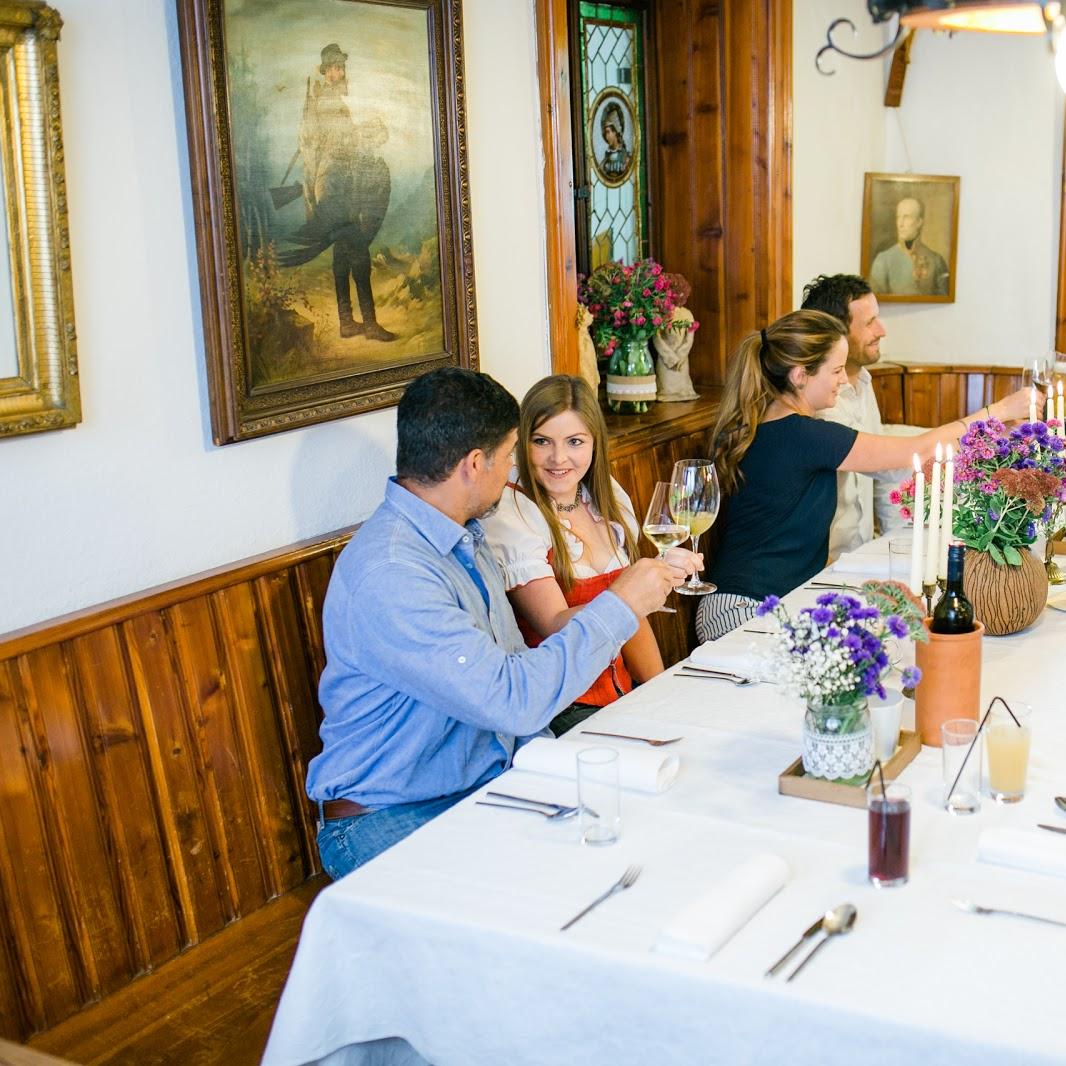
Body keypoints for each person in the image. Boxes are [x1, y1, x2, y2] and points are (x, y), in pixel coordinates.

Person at [308, 367, 688, 878]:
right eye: (511, 454)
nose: (514, 472)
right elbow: (514, 701)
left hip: (483, 784)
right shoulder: (394, 572)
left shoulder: (463, 536)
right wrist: (620, 605)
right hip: (394, 815)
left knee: (648, 844)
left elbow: (515, 677)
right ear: (474, 463)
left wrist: (562, 773)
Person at [695, 310, 1038, 642]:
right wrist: (1001, 410)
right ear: (800, 376)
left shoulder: (774, 426)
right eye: (837, 370)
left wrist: (997, 431)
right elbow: (912, 452)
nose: (844, 380)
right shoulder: (806, 435)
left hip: (758, 602)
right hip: (742, 610)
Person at [481, 375, 699, 736]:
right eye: (542, 441)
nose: (558, 458)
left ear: (595, 443)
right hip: (559, 707)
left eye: (575, 442)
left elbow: (631, 619)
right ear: (522, 442)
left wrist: (661, 692)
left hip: (620, 695)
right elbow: (552, 624)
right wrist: (635, 591)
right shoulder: (513, 509)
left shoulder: (602, 494)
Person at [280, 43, 396, 342]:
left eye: (342, 67)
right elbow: (340, 144)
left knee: (341, 255)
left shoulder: (325, 99)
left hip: (333, 183)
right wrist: (365, 133)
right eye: (334, 67)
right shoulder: (329, 101)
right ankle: (370, 326)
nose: (339, 72)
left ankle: (346, 323)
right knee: (358, 253)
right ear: (326, 71)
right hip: (333, 185)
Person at [801, 273, 919, 556]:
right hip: (822, 565)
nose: (882, 330)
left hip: (862, 554)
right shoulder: (815, 403)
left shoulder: (863, 382)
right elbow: (887, 462)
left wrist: (898, 547)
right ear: (836, 333)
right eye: (869, 323)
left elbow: (885, 480)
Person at [869, 197, 949, 297]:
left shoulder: (937, 260)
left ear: (919, 222)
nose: (900, 223)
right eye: (898, 217)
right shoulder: (883, 260)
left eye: (906, 217)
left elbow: (945, 304)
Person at [599, 101, 631, 179]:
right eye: (605, 133)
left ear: (615, 132)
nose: (606, 136)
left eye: (608, 132)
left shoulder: (626, 159)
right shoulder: (604, 163)